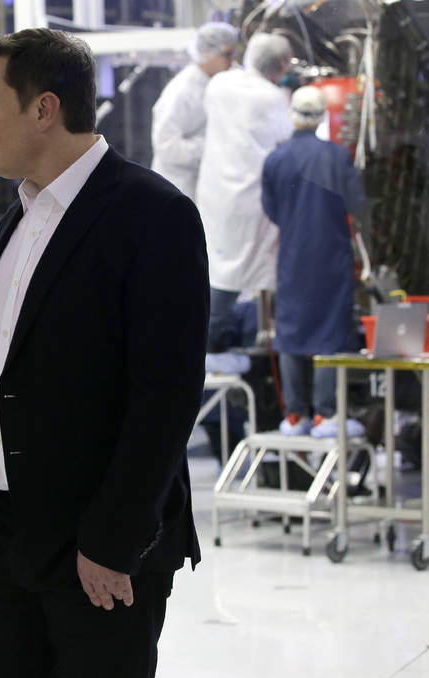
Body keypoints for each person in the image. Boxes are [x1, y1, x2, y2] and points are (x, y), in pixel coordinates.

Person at [0, 29, 209, 678]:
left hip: (97, 543)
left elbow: (165, 398)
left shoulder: (153, 215)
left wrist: (113, 541)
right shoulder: (14, 223)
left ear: (45, 109)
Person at [262, 85, 366, 438]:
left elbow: (271, 209)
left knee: (291, 333)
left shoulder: (275, 159)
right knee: (329, 335)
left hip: (292, 258)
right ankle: (325, 414)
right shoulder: (337, 157)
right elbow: (356, 205)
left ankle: (294, 415)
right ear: (322, 116)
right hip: (331, 259)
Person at [196, 32, 294, 352]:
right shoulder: (274, 98)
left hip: (215, 195)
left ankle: (205, 354)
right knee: (251, 273)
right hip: (253, 199)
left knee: (220, 276)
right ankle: (257, 349)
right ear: (281, 67)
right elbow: (286, 144)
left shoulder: (219, 85)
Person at [150, 21, 239, 200]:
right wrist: (212, 145)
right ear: (208, 54)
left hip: (201, 185)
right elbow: (168, 148)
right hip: (177, 189)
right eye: (227, 55)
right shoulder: (182, 91)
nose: (232, 61)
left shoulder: (215, 83)